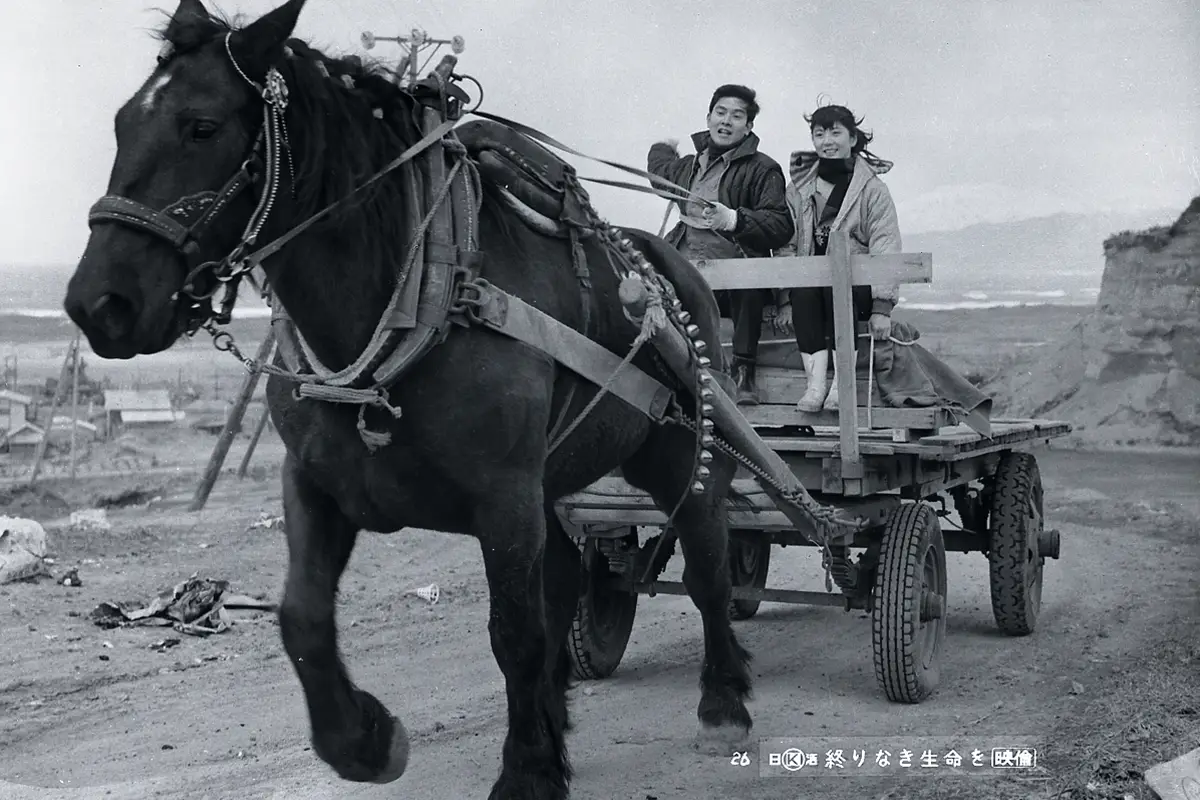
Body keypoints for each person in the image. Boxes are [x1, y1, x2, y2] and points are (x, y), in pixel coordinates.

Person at [647, 84, 795, 405]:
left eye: (737, 116)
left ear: (749, 127)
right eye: (721, 112)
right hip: (687, 269)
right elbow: (659, 175)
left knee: (748, 284)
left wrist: (735, 220)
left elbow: (781, 225)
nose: (726, 121)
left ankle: (743, 374)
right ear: (709, 117)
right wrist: (662, 145)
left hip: (734, 277)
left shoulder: (763, 169)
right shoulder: (688, 166)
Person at [773, 103, 902, 412]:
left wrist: (882, 306)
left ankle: (839, 387)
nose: (827, 141)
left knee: (837, 293)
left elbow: (885, 244)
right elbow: (786, 245)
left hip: (856, 286)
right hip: (809, 285)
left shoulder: (872, 190)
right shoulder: (798, 190)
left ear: (852, 139)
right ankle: (815, 385)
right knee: (804, 294)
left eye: (835, 132)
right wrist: (783, 300)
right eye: (819, 134)